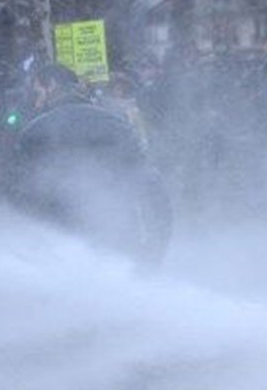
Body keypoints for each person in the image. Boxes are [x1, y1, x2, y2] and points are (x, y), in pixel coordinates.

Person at [14, 64, 172, 265]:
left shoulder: (34, 134)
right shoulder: (117, 125)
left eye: (37, 92)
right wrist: (155, 248)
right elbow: (151, 188)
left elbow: (23, 201)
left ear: (51, 86)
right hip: (120, 240)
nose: (35, 101)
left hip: (58, 252)